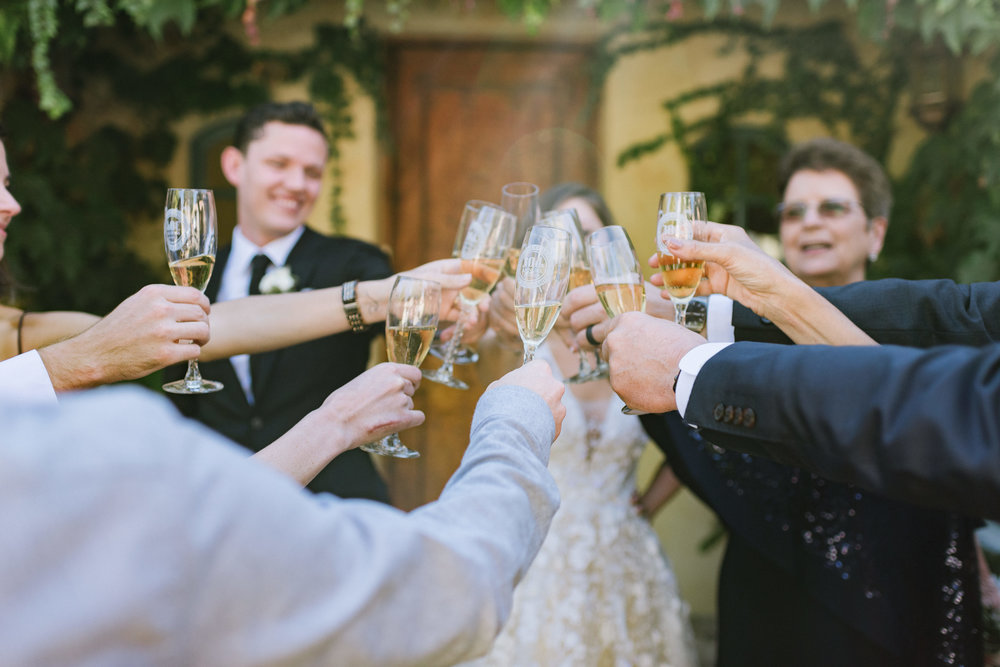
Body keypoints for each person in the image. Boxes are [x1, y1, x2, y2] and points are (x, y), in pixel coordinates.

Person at [571, 139, 987, 666]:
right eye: (794, 212)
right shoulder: (724, 338)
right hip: (769, 580)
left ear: (875, 232)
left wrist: (978, 572)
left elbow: (959, 426)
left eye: (833, 207)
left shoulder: (924, 339)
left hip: (893, 580)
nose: (811, 223)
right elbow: (688, 426)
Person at [0, 359, 567, 665]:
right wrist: (515, 422)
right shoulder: (109, 457)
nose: (11, 202)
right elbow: (446, 589)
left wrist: (334, 422)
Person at [466, 183, 698, 666]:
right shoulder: (521, 338)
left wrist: (647, 503)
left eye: (585, 235)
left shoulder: (645, 341)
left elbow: (694, 436)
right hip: (539, 555)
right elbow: (476, 352)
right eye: (559, 239)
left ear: (611, 250)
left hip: (626, 556)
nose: (572, 251)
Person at [163, 100, 398, 502]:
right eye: (279, 164)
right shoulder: (192, 274)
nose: (296, 184)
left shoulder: (357, 264)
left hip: (334, 504)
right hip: (226, 506)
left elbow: (409, 320)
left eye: (312, 173)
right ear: (235, 166)